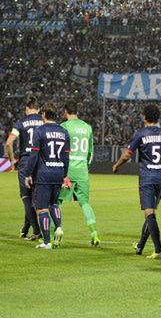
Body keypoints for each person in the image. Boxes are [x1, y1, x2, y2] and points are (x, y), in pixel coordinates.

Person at [112, 104, 161, 260]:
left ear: (144, 116)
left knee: (149, 214)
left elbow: (128, 154)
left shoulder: (141, 134)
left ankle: (158, 250)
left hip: (147, 178)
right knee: (152, 213)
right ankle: (141, 245)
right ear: (158, 118)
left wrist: (117, 165)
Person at [22, 102, 70, 250]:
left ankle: (47, 242)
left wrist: (28, 174)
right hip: (58, 172)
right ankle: (59, 227)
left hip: (43, 174)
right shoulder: (64, 132)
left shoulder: (40, 131)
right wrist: (64, 175)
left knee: (42, 209)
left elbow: (34, 155)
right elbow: (66, 157)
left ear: (43, 114)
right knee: (53, 204)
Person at [56, 100, 100, 246]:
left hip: (67, 172)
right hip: (82, 171)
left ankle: (53, 234)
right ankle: (94, 234)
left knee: (58, 202)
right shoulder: (87, 128)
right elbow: (90, 152)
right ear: (77, 112)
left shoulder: (64, 126)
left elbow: (59, 150)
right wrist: (85, 166)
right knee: (85, 203)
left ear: (65, 112)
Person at [5, 96, 44, 241]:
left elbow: (9, 143)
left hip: (26, 161)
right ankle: (26, 228)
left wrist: (11, 161)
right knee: (36, 196)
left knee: (26, 197)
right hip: (40, 162)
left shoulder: (21, 122)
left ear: (27, 109)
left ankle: (37, 231)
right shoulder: (43, 120)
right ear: (39, 109)